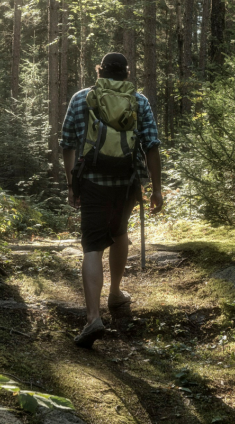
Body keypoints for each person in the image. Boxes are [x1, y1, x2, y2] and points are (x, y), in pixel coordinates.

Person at [60, 52, 163, 349]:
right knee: (119, 234)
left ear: (99, 71)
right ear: (127, 74)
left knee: (92, 245)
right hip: (127, 182)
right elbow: (152, 146)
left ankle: (93, 317)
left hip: (91, 181)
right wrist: (156, 189)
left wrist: (71, 184)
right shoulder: (139, 101)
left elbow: (67, 143)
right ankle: (115, 293)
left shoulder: (81, 98)